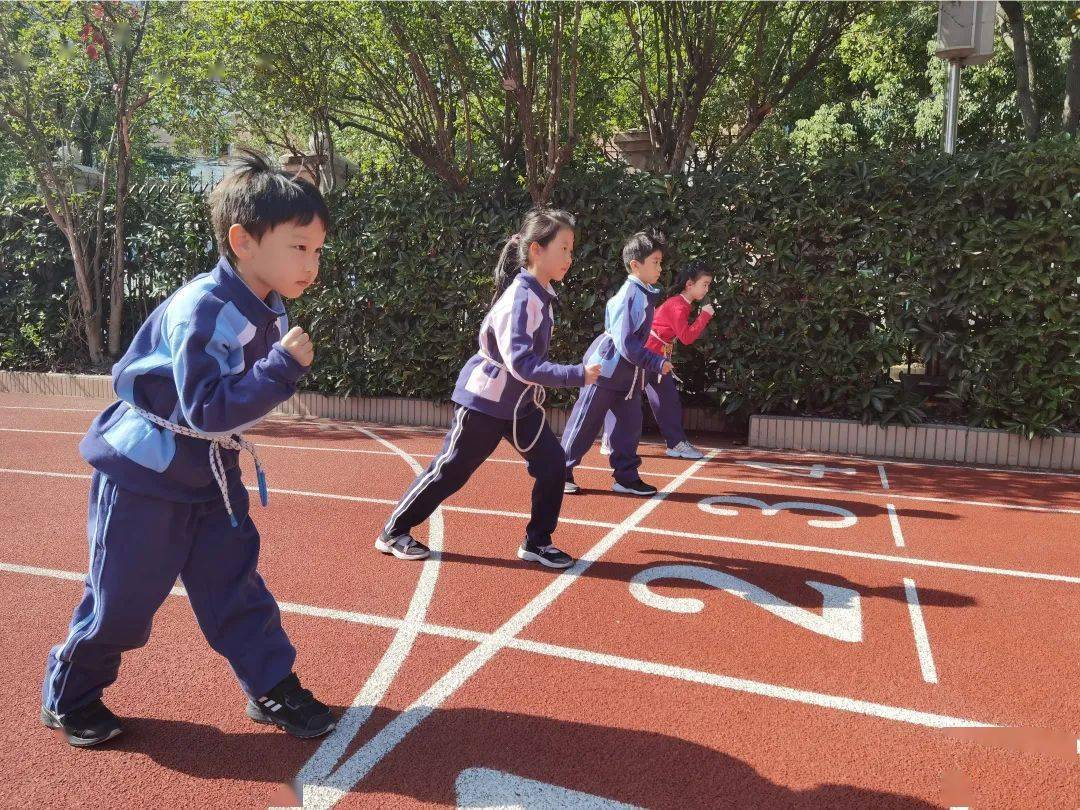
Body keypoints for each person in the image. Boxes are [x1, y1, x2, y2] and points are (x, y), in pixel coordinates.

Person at [41, 151, 336, 746]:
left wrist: (274, 369)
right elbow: (205, 408)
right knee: (122, 599)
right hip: (145, 474)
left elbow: (221, 413)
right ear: (243, 241)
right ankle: (69, 694)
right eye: (299, 247)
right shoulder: (204, 308)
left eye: (318, 250)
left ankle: (270, 684)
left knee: (235, 582)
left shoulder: (266, 305)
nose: (312, 263)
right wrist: (280, 370)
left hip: (209, 473)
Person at [375, 208, 601, 570]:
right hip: (485, 402)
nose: (569, 258)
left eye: (571, 249)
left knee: (552, 463)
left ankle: (537, 542)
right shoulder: (521, 299)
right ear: (536, 251)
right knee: (451, 470)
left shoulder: (542, 293)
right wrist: (577, 374)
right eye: (564, 248)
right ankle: (393, 531)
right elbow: (522, 363)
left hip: (519, 406)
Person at [561, 230, 672, 497]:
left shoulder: (644, 293)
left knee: (630, 425)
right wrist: (655, 361)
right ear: (636, 265)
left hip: (629, 376)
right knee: (585, 421)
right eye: (655, 262)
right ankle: (559, 471)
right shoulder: (629, 295)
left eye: (660, 262)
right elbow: (625, 343)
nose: (660, 267)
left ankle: (626, 476)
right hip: (606, 369)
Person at [600, 262, 714, 460]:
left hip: (654, 356)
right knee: (630, 396)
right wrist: (704, 316)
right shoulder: (678, 306)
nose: (707, 288)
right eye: (704, 284)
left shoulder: (680, 304)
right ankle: (614, 441)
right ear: (689, 284)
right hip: (647, 356)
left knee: (662, 399)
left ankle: (673, 442)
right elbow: (686, 337)